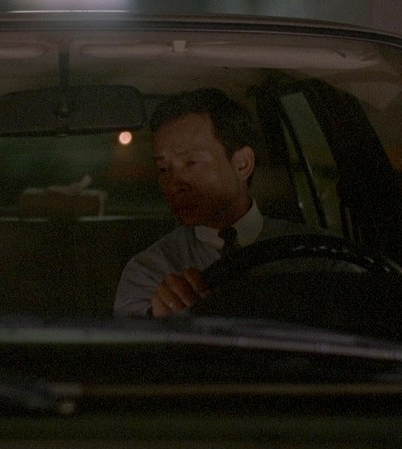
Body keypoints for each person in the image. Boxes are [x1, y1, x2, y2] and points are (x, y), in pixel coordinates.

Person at [114, 88, 318, 319]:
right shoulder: (150, 272)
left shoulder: (316, 256)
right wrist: (160, 320)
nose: (173, 183)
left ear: (242, 164)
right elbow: (132, 338)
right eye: (163, 169)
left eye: (191, 163)